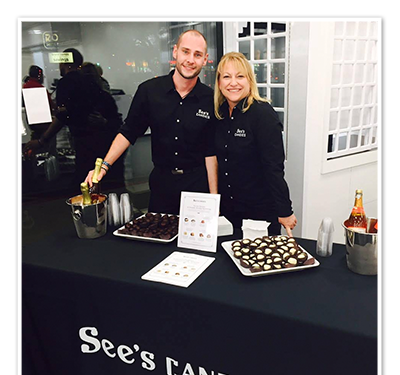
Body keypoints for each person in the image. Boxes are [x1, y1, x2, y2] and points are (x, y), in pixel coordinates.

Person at [85, 29, 218, 215]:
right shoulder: (149, 91)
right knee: (157, 232)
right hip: (162, 185)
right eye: (185, 51)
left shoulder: (210, 99)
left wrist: (213, 199)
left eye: (197, 54)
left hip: (197, 186)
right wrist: (104, 167)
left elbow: (211, 152)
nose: (190, 60)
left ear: (205, 59)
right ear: (175, 52)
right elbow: (128, 131)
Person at [214, 52, 297, 236]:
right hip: (228, 213)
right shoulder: (220, 114)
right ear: (219, 83)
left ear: (249, 80)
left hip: (259, 214)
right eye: (226, 77)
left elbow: (274, 168)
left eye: (240, 76)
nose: (233, 83)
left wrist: (285, 210)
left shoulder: (262, 114)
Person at [23, 49, 123, 189]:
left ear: (66, 64)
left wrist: (41, 141)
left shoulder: (67, 83)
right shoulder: (94, 86)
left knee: (84, 183)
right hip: (104, 141)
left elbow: (63, 116)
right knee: (107, 183)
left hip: (86, 141)